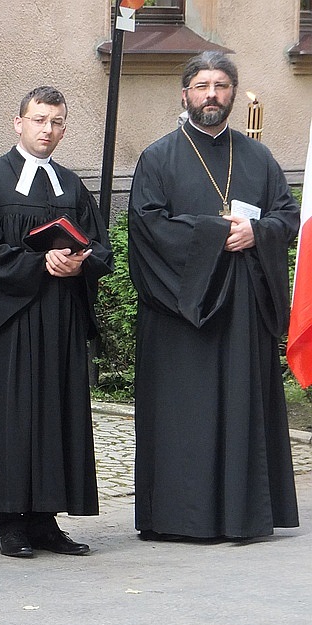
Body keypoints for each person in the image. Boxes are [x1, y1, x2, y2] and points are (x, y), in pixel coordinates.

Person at [128, 51, 300, 540]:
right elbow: (146, 226)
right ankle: (179, 518)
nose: (211, 95)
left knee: (240, 406)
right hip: (182, 315)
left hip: (243, 306)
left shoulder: (258, 156)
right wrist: (213, 235)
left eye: (221, 86)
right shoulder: (158, 157)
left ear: (231, 93)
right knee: (187, 415)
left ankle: (243, 515)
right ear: (184, 94)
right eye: (201, 85)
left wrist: (257, 233)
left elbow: (286, 216)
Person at [0, 86, 113, 558]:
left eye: (57, 122)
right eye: (40, 120)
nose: (48, 130)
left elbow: (102, 246)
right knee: (13, 417)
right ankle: (10, 523)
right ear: (18, 122)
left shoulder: (72, 185)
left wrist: (80, 263)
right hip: (12, 322)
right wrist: (38, 264)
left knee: (56, 413)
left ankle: (46, 520)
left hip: (60, 321)